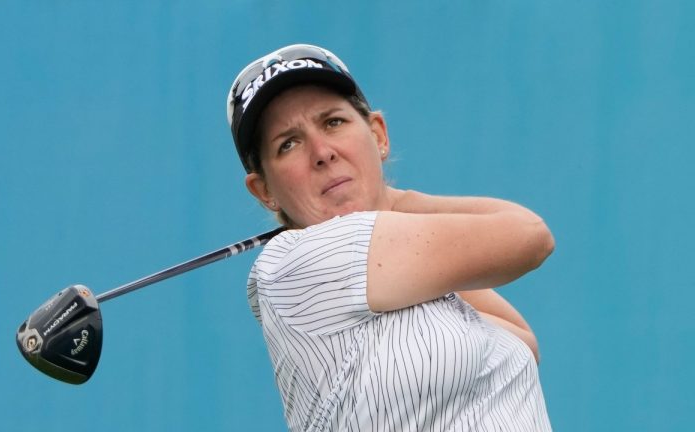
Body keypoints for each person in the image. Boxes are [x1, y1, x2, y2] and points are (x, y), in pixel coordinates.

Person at [226, 44, 555, 431]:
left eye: (333, 122)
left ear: (378, 135)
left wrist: (388, 205)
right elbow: (528, 235)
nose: (322, 152)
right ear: (264, 190)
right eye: (289, 143)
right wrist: (395, 201)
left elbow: (523, 342)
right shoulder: (297, 262)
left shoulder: (395, 273)